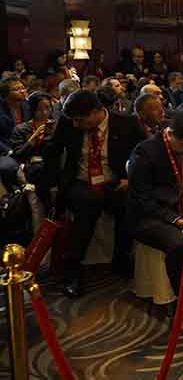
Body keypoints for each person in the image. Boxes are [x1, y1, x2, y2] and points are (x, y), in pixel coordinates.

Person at [44, 90, 145, 297]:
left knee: (128, 206)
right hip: (81, 182)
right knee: (88, 205)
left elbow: (143, 154)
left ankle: (121, 258)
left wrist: (130, 178)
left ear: (97, 112)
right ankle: (73, 269)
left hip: (115, 182)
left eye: (80, 120)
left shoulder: (126, 123)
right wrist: (53, 184)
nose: (75, 124)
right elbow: (52, 154)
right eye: (73, 120)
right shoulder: (67, 124)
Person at [127, 110, 183, 335]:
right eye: (182, 145)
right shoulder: (145, 152)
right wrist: (176, 220)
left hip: (181, 208)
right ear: (169, 133)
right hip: (147, 217)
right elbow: (142, 200)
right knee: (178, 243)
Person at [0, 76, 30, 153]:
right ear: (6, 94)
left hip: (25, 147)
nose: (22, 91)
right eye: (16, 89)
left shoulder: (28, 106)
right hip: (6, 150)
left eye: (23, 88)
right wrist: (8, 151)